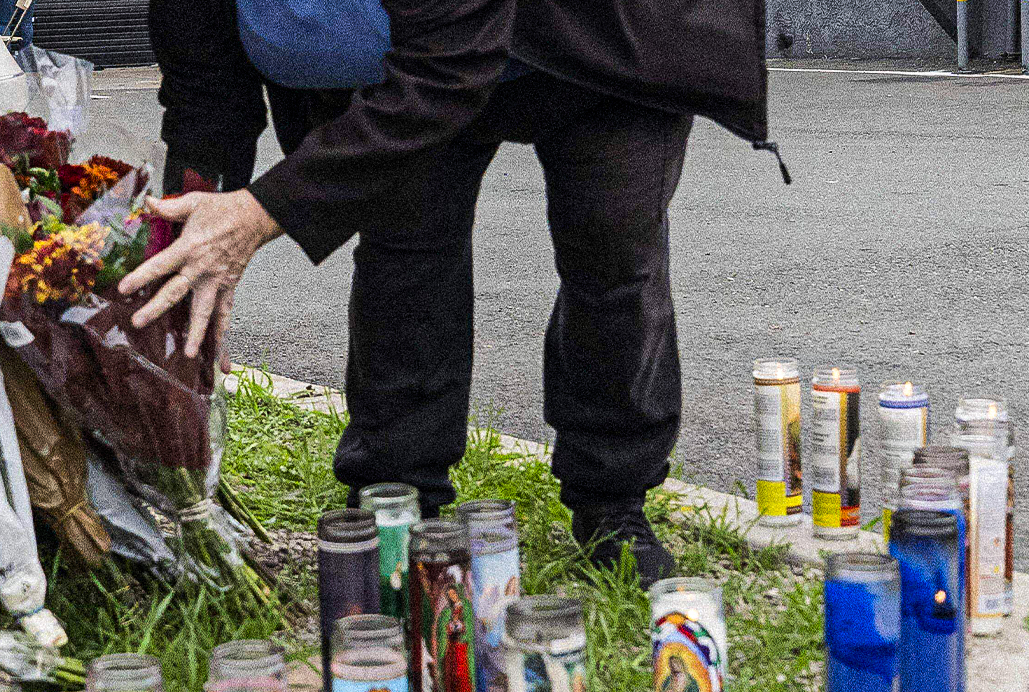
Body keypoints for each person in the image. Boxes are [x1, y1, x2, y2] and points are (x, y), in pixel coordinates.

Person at [133, 0, 776, 586]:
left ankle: (613, 503)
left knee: (613, 251)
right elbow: (206, 90)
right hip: (417, 57)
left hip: (603, 36)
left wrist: (262, 212)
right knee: (406, 254)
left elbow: (452, 66)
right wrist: (186, 246)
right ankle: (399, 495)